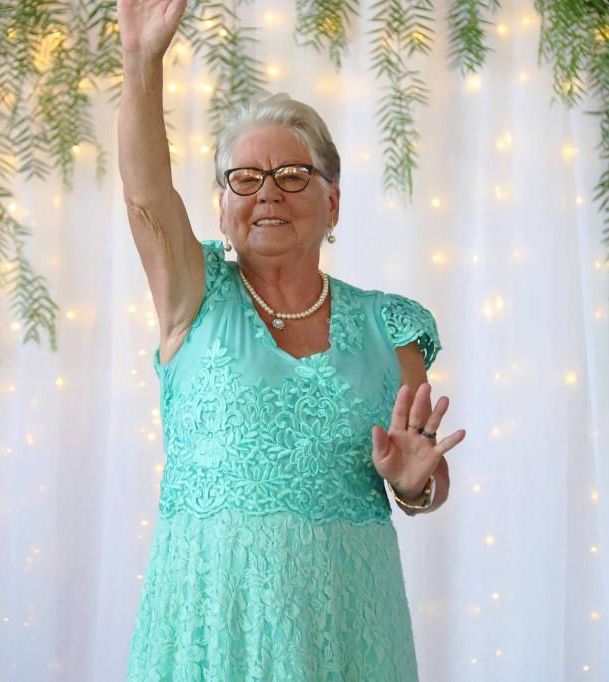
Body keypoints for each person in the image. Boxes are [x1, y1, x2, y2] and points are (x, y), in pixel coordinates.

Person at [117, 0, 467, 678]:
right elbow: (146, 197)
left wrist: (416, 486)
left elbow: (425, 476)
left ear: (332, 201)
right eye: (244, 179)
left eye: (293, 175)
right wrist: (141, 61)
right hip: (211, 623)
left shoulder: (390, 327)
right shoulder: (192, 296)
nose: (267, 193)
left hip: (349, 625)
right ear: (223, 206)